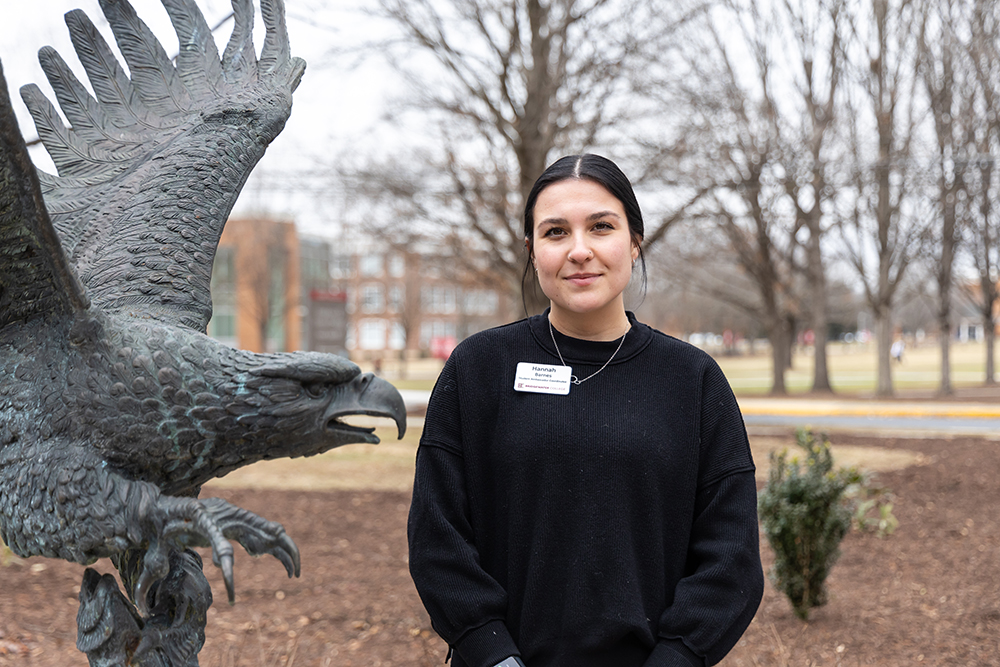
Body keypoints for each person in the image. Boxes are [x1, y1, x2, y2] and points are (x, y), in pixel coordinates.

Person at [407, 154, 763, 667]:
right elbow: (437, 537)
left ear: (635, 242)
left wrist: (678, 657)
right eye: (555, 232)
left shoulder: (693, 380)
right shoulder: (477, 369)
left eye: (601, 227)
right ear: (532, 252)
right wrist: (490, 652)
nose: (580, 251)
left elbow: (731, 559)